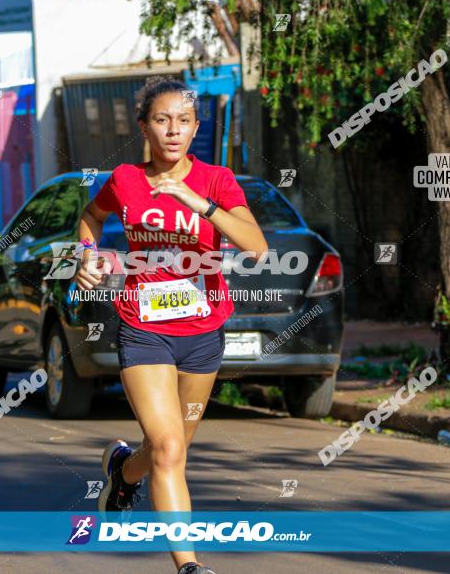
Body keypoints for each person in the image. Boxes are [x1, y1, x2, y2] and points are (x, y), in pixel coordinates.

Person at [75, 77, 268, 574]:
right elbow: (91, 217)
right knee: (167, 447)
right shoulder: (125, 179)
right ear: (144, 127)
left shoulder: (217, 180)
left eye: (183, 121)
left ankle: (122, 474)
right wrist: (87, 256)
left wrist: (198, 203)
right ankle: (188, 566)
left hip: (203, 336)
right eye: (162, 120)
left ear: (196, 128)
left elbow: (256, 247)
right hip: (144, 328)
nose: (173, 131)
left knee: (169, 450)